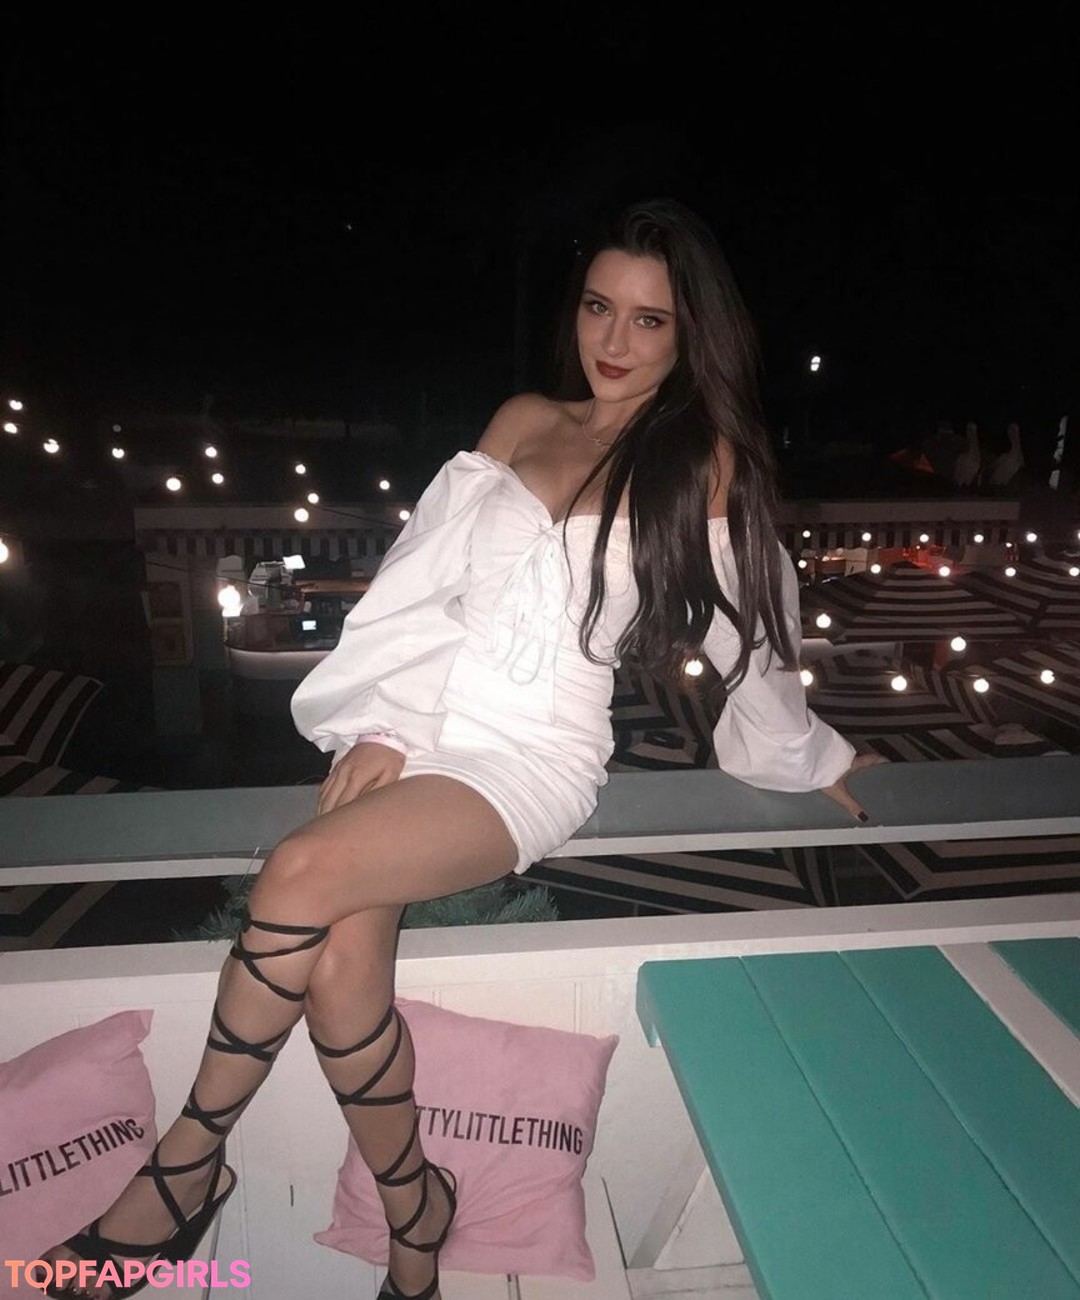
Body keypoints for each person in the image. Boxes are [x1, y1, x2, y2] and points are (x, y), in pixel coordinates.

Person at [41, 197, 879, 1300]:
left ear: (690, 337)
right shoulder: (524, 418)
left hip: (531, 754)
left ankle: (181, 1170)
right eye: (599, 307)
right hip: (420, 729)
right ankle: (416, 1218)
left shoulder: (700, 461)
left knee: (295, 874)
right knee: (340, 979)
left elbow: (754, 633)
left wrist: (814, 758)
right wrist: (385, 725)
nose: (614, 341)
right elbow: (418, 586)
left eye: (649, 321)